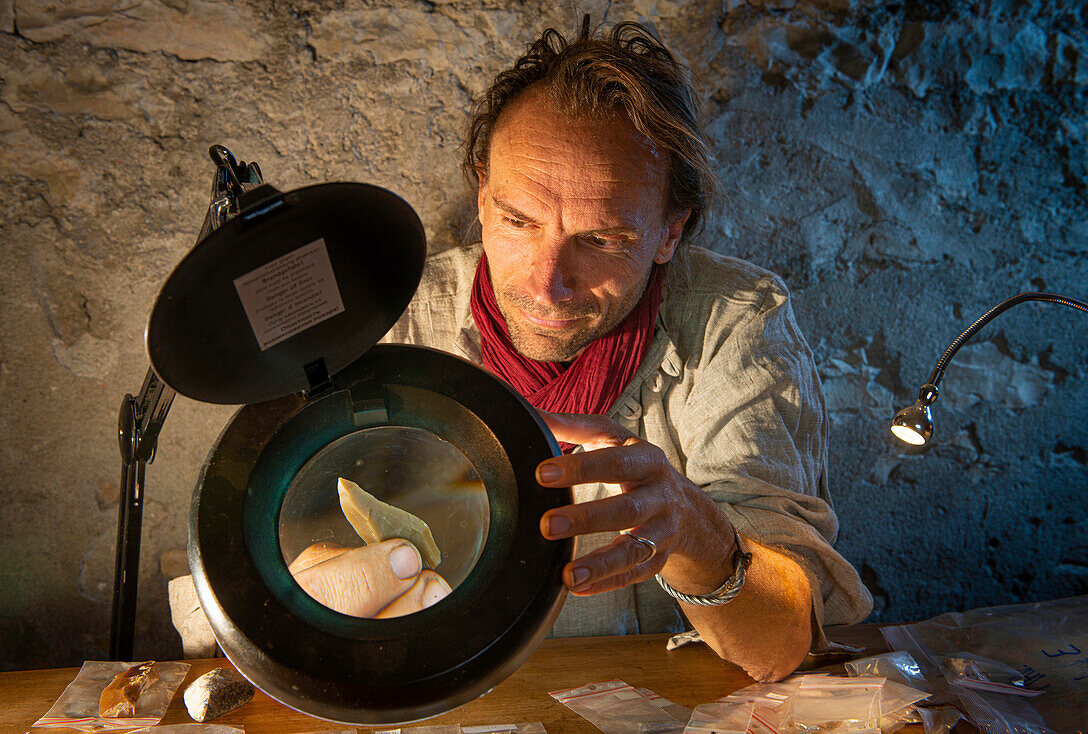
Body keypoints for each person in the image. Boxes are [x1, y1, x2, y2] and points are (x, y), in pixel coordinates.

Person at [171, 19, 872, 682]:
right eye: (517, 221)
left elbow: (780, 645)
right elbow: (271, 588)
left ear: (669, 232)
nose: (547, 284)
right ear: (481, 195)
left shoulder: (733, 326)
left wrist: (697, 534)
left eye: (601, 241)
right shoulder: (393, 329)